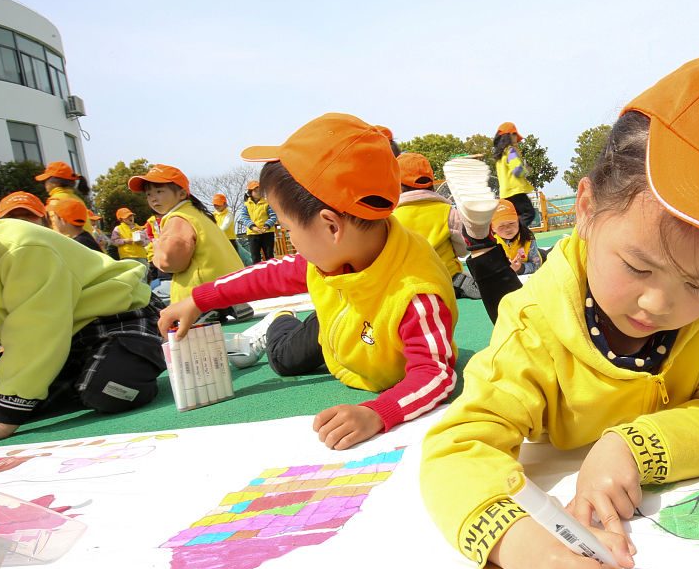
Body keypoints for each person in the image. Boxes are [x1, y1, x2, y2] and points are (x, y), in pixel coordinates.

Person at [420, 55, 699, 569]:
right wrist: (524, 546)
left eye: (698, 284)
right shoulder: (534, 323)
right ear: (586, 210)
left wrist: (633, 446)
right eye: (636, 266)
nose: (659, 304)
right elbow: (457, 448)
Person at [158, 113, 460, 450]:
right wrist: (198, 299)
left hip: (365, 335)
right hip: (337, 324)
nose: (290, 239)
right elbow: (269, 275)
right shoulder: (332, 254)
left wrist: (377, 412)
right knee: (284, 360)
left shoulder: (415, 295)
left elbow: (435, 373)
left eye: (287, 229)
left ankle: (282, 320)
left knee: (285, 359)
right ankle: (279, 321)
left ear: (331, 226)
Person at [0, 210, 165, 443]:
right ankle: (61, 377)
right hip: (52, 341)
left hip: (115, 315)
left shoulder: (21, 249)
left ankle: (136, 359)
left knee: (109, 389)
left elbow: (36, 336)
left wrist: (2, 421)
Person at [128, 165, 249, 321]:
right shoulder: (198, 214)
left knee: (157, 294)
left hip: (201, 291)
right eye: (148, 194)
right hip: (228, 282)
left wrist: (157, 248)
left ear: (182, 194)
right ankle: (225, 304)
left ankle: (206, 308)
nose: (153, 198)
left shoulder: (178, 219)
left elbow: (171, 263)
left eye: (159, 191)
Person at [392, 151, 480, 299]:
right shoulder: (448, 211)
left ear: (397, 185)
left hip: (412, 283)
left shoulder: (392, 218)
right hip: (447, 278)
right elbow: (462, 250)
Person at [34, 160, 109, 249]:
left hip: (70, 248)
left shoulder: (55, 201)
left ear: (55, 183)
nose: (45, 184)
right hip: (87, 245)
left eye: (46, 180)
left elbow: (57, 232)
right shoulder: (77, 199)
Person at [492, 122, 537, 230]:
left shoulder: (499, 156)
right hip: (516, 191)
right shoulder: (510, 151)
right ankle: (517, 233)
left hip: (505, 193)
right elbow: (517, 170)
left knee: (514, 217)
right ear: (510, 135)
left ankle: (513, 233)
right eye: (515, 135)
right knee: (529, 214)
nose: (516, 138)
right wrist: (525, 170)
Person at [490, 199, 541, 275]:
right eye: (501, 226)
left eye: (511, 223)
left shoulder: (528, 238)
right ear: (493, 228)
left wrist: (520, 268)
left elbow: (537, 265)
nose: (508, 228)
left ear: (518, 221)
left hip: (539, 254)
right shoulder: (491, 244)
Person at [236, 180, 278, 263]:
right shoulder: (246, 205)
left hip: (267, 232)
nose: (258, 192)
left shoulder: (267, 203)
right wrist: (252, 227)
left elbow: (273, 216)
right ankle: (258, 270)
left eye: (260, 190)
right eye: (255, 191)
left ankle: (272, 270)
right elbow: (244, 217)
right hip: (253, 234)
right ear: (250, 192)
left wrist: (267, 225)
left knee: (269, 255)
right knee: (255, 256)